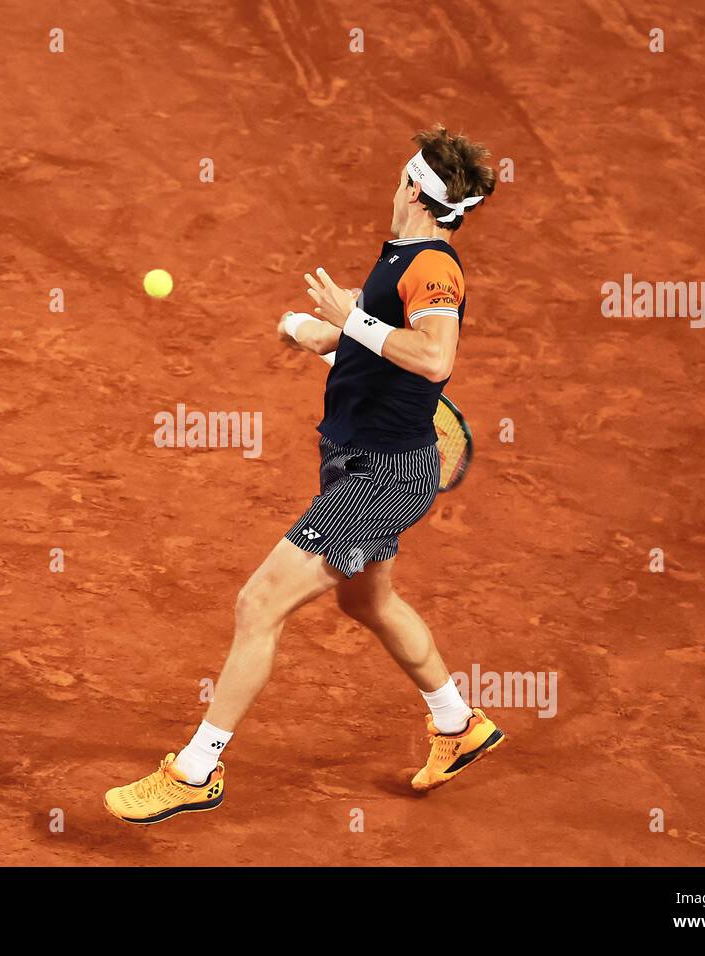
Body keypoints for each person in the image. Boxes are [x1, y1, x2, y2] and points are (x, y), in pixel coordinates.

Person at [105, 126, 504, 825]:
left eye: (398, 179)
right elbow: (364, 333)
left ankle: (196, 770)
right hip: (358, 459)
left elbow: (434, 358)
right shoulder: (404, 257)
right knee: (367, 602)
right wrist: (306, 329)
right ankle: (458, 723)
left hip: (380, 477)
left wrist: (352, 319)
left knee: (258, 604)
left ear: (413, 188)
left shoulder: (435, 269)